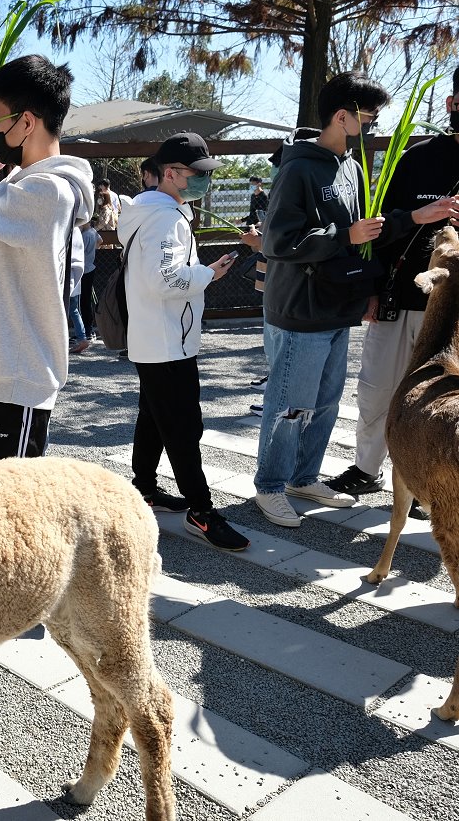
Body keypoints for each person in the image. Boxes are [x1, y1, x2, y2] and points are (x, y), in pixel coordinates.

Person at [252, 71, 456, 528]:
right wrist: (344, 235)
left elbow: (370, 231)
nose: (372, 125)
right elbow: (277, 242)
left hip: (335, 307)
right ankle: (270, 485)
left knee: (324, 403)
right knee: (290, 405)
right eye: (369, 117)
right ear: (341, 116)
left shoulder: (351, 166)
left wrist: (418, 216)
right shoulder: (298, 168)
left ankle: (303, 477)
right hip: (299, 309)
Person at [0, 54, 93, 466]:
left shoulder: (47, 191)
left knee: (4, 505)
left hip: (19, 381)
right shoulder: (18, 186)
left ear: (26, 122)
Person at [325, 65, 459, 514]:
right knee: (377, 389)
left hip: (453, 311)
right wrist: (372, 288)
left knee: (444, 399)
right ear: (451, 104)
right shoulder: (417, 159)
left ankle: (430, 482)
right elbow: (379, 230)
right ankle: (366, 469)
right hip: (399, 298)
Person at [120, 134, 248, 550]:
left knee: (154, 416)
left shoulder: (147, 211)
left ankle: (144, 488)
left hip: (153, 336)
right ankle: (202, 511)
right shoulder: (166, 219)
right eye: (198, 173)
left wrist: (202, 272)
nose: (203, 181)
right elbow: (167, 280)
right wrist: (208, 273)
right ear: (171, 174)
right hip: (168, 341)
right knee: (183, 427)